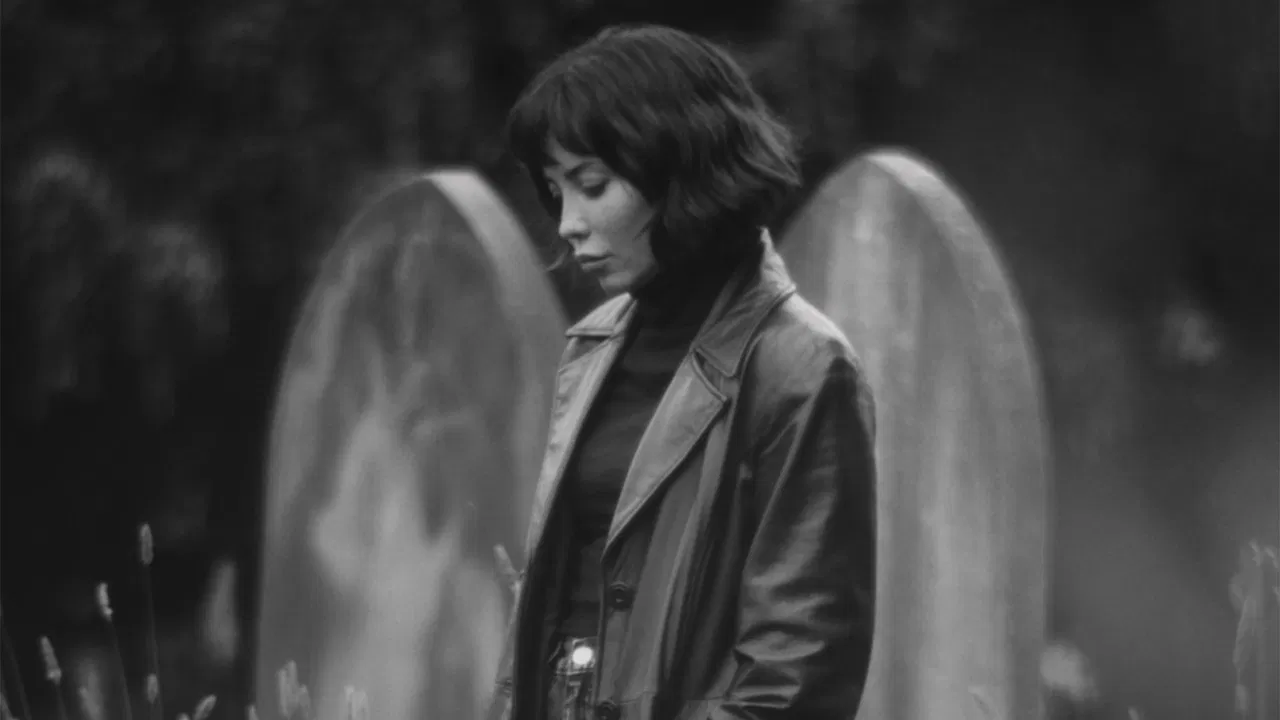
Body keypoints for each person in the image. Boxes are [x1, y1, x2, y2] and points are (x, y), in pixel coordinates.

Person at [490, 23, 877, 720]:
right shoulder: (593, 348)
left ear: (682, 171)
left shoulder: (803, 368)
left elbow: (798, 674)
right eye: (555, 190)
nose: (568, 222)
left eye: (592, 184)